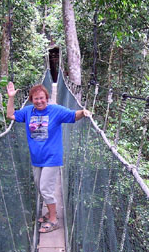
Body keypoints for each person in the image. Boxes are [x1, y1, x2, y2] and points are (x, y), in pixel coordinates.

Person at [6, 82, 90, 233]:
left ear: (47, 98)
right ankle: (51, 213)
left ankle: (54, 220)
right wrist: (11, 98)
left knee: (45, 188)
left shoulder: (55, 110)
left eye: (42, 98)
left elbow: (72, 115)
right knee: (41, 187)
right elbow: (10, 115)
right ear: (31, 100)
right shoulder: (27, 112)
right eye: (36, 99)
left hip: (52, 157)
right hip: (36, 158)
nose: (39, 101)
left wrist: (83, 112)